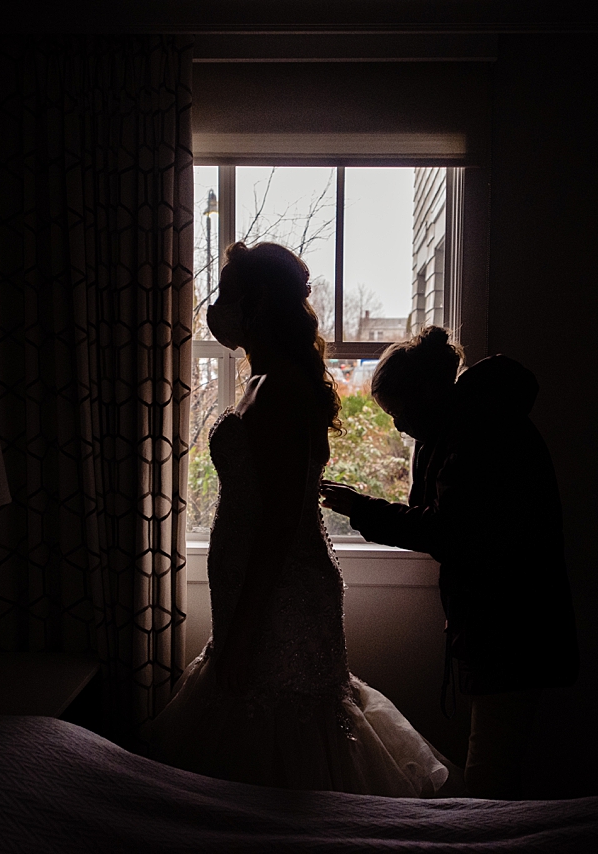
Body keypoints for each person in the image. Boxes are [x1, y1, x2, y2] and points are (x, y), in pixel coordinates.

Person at [142, 243, 458, 798]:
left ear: (255, 303)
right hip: (266, 587)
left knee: (284, 726)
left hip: (280, 593)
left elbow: (281, 522)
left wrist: (242, 634)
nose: (215, 308)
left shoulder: (281, 389)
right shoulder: (267, 381)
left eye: (225, 294)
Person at [319, 327, 578, 800]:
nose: (398, 427)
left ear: (429, 392)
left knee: (490, 770)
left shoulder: (478, 436)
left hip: (512, 624)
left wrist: (361, 508)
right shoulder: (468, 428)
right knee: (495, 760)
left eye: (400, 411)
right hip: (513, 621)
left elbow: (445, 530)